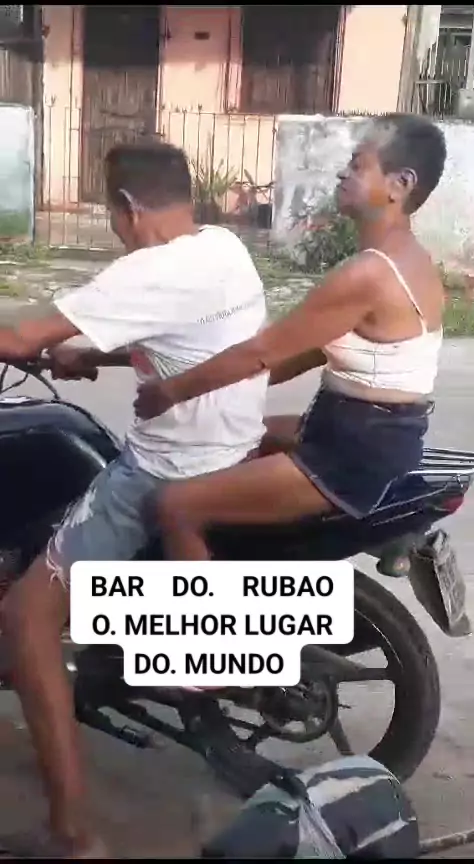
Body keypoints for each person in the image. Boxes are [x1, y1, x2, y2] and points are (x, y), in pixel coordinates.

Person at [0, 140, 269, 857]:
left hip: (166, 470)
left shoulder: (148, 270)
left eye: (111, 214)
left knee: (25, 617)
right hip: (228, 450)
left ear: (126, 207)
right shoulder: (222, 249)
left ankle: (72, 835)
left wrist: (38, 342)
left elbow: (20, 334)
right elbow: (191, 340)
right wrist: (95, 353)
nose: (116, 229)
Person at [133, 113, 447, 562]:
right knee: (240, 440)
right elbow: (293, 356)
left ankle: (204, 607)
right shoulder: (408, 258)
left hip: (352, 453)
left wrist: (172, 392)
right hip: (366, 434)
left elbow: (261, 352)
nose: (343, 172)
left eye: (358, 164)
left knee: (174, 506)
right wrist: (200, 379)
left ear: (400, 183)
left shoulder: (369, 274)